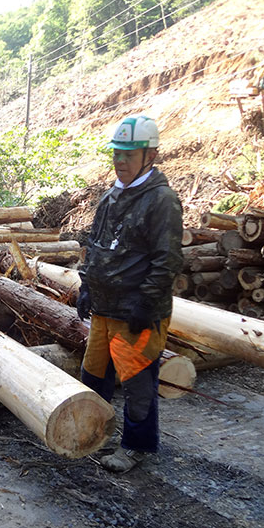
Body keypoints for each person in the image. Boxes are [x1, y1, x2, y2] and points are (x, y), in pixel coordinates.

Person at [76, 114, 183, 474]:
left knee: (137, 382)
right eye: (116, 154)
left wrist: (147, 303)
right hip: (105, 309)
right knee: (94, 373)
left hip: (136, 310)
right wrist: (86, 286)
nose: (120, 162)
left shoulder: (161, 201)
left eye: (129, 155)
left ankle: (135, 447)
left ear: (149, 155)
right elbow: (95, 246)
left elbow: (167, 260)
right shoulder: (110, 197)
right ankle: (94, 432)